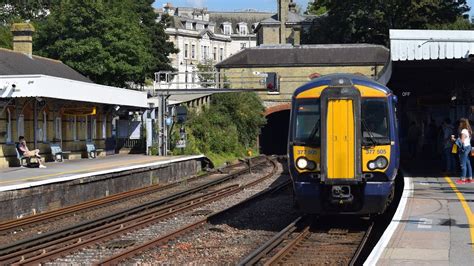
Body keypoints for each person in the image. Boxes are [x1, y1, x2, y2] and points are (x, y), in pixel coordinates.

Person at [452, 118, 472, 184]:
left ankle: (462, 179)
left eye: (460, 123)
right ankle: (470, 178)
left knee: (463, 164)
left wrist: (454, 139)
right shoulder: (469, 130)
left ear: (462, 123)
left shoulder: (463, 131)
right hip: (468, 147)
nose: (459, 124)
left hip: (464, 148)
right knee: (468, 163)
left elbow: (462, 141)